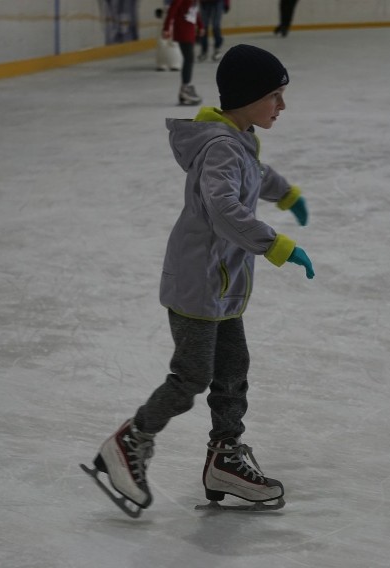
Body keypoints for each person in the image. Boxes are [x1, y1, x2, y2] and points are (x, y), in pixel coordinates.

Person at [83, 44, 315, 517]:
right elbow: (223, 209)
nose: (283, 106)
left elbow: (256, 172)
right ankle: (129, 443)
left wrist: (285, 192)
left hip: (222, 284)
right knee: (192, 376)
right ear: (248, 98)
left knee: (233, 370)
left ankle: (224, 459)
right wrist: (277, 245)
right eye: (276, 96)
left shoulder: (238, 139)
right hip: (199, 284)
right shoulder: (220, 147)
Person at [163, 0, 203, 105]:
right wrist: (166, 28)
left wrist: (200, 25)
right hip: (183, 30)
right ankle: (185, 88)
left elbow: (194, 11)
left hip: (189, 30)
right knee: (189, 58)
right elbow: (173, 9)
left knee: (189, 58)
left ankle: (185, 88)